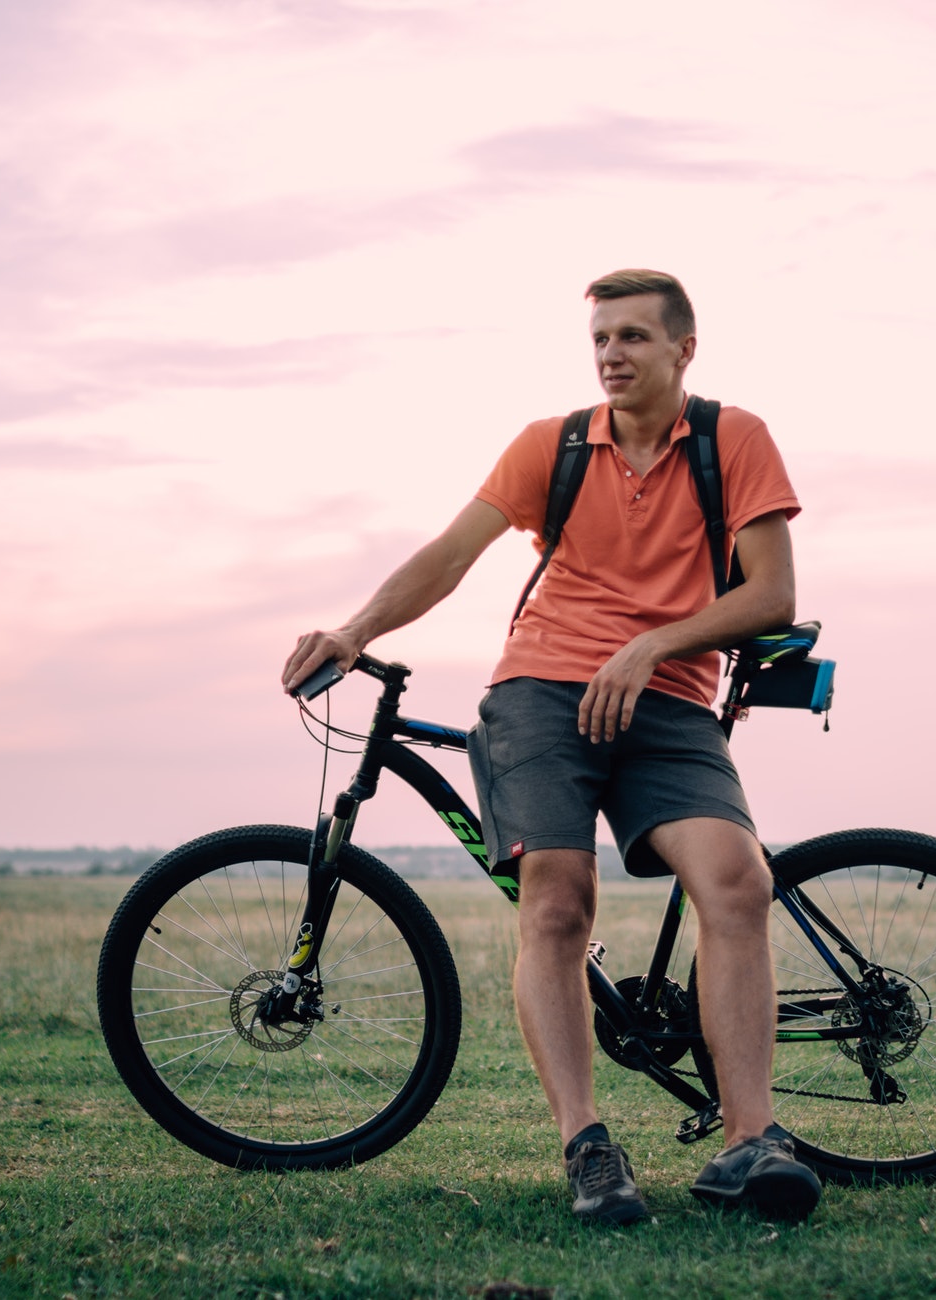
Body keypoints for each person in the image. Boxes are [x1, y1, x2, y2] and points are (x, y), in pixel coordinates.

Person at [280, 269, 822, 1224]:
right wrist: (356, 631)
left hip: (671, 699)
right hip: (540, 692)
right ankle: (588, 1146)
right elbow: (449, 558)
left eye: (634, 339)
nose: (612, 356)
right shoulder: (553, 447)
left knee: (737, 882)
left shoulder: (735, 440)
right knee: (559, 898)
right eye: (601, 340)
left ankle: (751, 1144)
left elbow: (771, 596)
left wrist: (651, 644)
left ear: (683, 350)